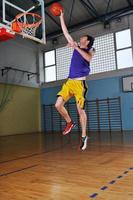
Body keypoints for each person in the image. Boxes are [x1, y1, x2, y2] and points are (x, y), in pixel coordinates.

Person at [55, 11, 95, 150]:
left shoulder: (91, 49)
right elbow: (66, 33)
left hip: (80, 84)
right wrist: (61, 17)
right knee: (58, 105)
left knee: (80, 111)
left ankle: (84, 137)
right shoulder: (75, 45)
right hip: (69, 82)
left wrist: (76, 47)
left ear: (87, 41)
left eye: (83, 37)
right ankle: (69, 122)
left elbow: (88, 58)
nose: (80, 38)